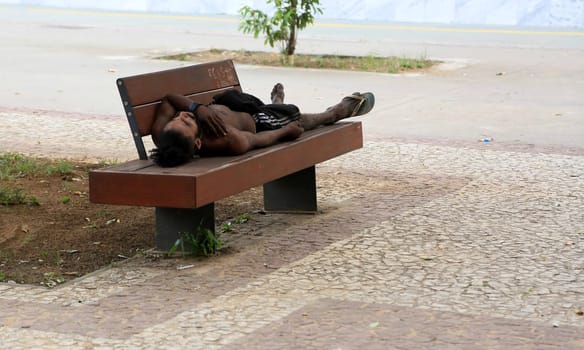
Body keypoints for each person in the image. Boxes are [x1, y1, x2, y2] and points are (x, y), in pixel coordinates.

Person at [150, 83, 374, 167]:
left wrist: (197, 109)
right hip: (258, 122)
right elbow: (256, 140)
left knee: (235, 97)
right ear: (198, 143)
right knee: (296, 118)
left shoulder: (164, 135)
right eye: (186, 122)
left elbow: (170, 98)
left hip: (228, 103)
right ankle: (337, 111)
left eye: (177, 118)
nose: (181, 115)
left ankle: (276, 104)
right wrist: (285, 132)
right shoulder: (227, 139)